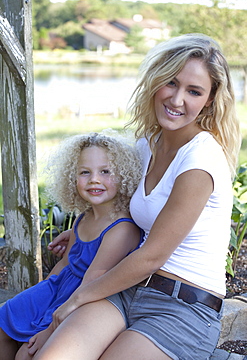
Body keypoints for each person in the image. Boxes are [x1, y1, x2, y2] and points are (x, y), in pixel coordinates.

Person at [34, 33, 241, 360]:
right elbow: (124, 211)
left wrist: (77, 298)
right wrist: (81, 232)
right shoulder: (147, 145)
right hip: (127, 287)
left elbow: (152, 256)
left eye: (194, 91)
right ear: (156, 81)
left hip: (183, 307)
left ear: (210, 100)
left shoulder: (201, 160)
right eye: (171, 83)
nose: (176, 100)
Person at [0, 132, 144, 360]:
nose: (94, 179)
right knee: (3, 319)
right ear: (72, 178)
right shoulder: (83, 219)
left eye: (105, 171)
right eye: (85, 172)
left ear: (124, 175)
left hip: (84, 298)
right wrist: (41, 296)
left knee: (25, 355)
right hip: (59, 288)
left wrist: (49, 331)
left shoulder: (121, 229)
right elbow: (65, 264)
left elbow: (91, 283)